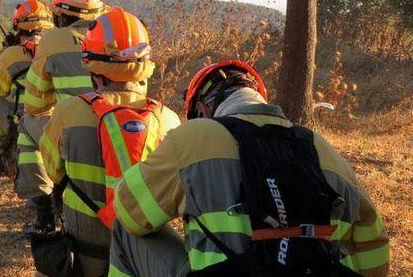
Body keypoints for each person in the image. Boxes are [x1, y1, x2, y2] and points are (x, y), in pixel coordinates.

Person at [108, 60, 390, 277]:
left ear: (203, 111)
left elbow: (129, 212)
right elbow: (373, 241)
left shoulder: (195, 136)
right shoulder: (320, 146)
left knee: (123, 230)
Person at [39, 7, 182, 276]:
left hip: (85, 247)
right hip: (142, 249)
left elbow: (53, 172)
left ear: (93, 67)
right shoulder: (169, 119)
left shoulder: (68, 112)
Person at [18, 0, 104, 237]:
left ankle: (45, 213)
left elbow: (33, 104)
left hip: (75, 131)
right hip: (120, 126)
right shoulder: (114, 35)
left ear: (62, 15)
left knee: (26, 124)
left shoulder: (53, 40)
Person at [0, 0, 53, 177]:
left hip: (23, 121)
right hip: (55, 121)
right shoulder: (56, 49)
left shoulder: (12, 54)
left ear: (19, 26)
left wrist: (7, 55)